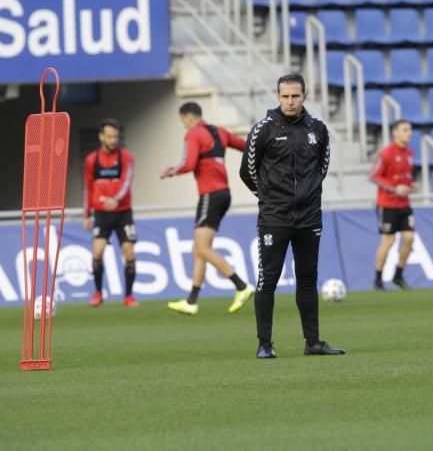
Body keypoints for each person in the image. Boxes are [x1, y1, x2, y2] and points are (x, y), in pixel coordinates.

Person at [240, 73, 345, 359]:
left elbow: (321, 168)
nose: (290, 101)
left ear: (304, 96)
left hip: (309, 217)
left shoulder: (318, 129)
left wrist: (307, 195)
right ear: (277, 97)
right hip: (275, 216)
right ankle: (264, 344)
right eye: (285, 96)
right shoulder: (263, 129)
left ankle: (312, 342)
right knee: (268, 279)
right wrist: (268, 197)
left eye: (295, 96)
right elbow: (247, 171)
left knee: (308, 279)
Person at [162, 102, 255, 316]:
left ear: (188, 117)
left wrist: (169, 171)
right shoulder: (219, 131)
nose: (184, 126)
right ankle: (192, 300)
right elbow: (245, 146)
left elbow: (188, 163)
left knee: (202, 249)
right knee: (199, 249)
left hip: (210, 195)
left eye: (183, 121)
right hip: (224, 194)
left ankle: (241, 286)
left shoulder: (193, 134)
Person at [83, 118, 138, 307]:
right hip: (101, 214)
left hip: (123, 212)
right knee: (97, 251)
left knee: (129, 251)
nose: (113, 140)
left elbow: (126, 181)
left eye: (115, 136)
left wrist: (116, 200)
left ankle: (129, 296)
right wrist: (87, 214)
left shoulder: (126, 157)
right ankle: (98, 293)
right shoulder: (91, 160)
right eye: (109, 136)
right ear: (101, 137)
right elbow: (88, 188)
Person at [370, 119, 418, 290]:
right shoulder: (386, 153)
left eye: (410, 130)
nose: (409, 133)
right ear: (395, 132)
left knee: (409, 238)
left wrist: (411, 185)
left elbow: (404, 177)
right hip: (387, 204)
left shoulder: (409, 153)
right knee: (388, 241)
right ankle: (378, 278)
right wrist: (393, 188)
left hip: (404, 204)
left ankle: (398, 275)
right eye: (405, 129)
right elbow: (374, 176)